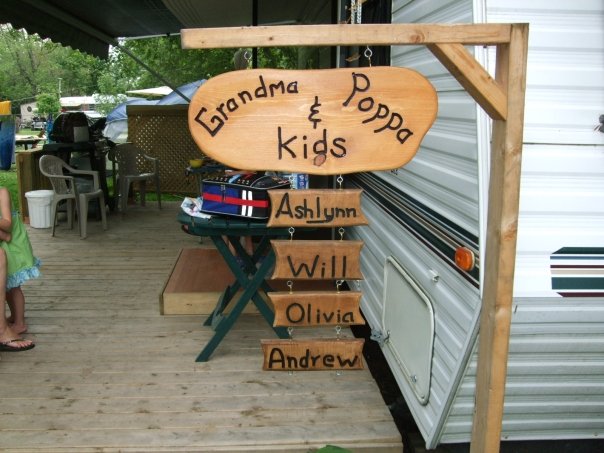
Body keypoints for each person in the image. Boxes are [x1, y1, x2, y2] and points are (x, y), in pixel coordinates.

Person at [0, 186, 39, 350]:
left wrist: (5, 235)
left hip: (14, 245)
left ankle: (20, 322)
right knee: (6, 285)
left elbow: (8, 224)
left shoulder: (2, 192)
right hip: (5, 242)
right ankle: (15, 316)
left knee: (14, 286)